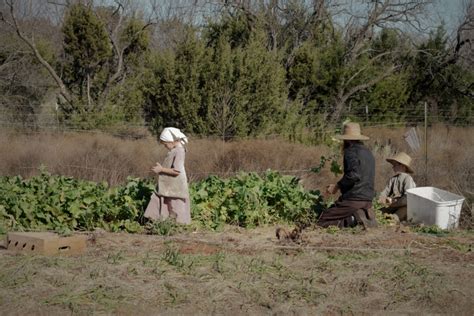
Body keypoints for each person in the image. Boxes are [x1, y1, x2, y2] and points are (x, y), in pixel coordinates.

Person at [317, 122, 377, 229]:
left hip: (354, 199)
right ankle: (359, 215)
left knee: (321, 219)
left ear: (346, 139)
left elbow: (354, 175)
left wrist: (337, 186)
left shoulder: (350, 151)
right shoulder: (368, 153)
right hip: (367, 200)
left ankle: (353, 220)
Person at [144, 127, 191, 224]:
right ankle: (161, 222)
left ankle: (178, 226)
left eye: (165, 144)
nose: (165, 146)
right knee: (162, 201)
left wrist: (161, 169)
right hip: (170, 184)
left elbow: (177, 171)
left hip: (175, 185)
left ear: (171, 141)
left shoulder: (179, 151)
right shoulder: (175, 150)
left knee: (175, 205)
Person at [378, 152, 416, 222]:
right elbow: (385, 192)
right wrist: (381, 198)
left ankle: (393, 219)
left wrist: (393, 203)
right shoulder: (393, 179)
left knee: (395, 217)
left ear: (403, 166)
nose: (393, 167)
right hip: (392, 205)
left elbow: (408, 198)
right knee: (378, 213)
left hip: (404, 207)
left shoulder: (408, 179)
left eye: (395, 165)